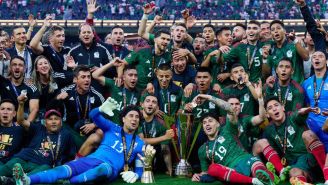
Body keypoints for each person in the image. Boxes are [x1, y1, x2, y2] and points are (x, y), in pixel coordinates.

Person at [13, 99, 145, 185]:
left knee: (100, 170)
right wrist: (99, 109)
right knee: (64, 169)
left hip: (110, 168)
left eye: (137, 117)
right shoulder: (112, 128)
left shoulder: (140, 143)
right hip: (91, 159)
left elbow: (140, 168)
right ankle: (27, 180)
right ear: (123, 119)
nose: (134, 119)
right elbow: (94, 116)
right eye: (131, 116)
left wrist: (136, 174)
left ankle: (70, 183)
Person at [191, 94, 274, 185]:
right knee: (213, 168)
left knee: (256, 166)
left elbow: (230, 109)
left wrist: (207, 97)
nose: (207, 124)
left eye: (210, 121)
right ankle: (253, 181)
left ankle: (263, 176)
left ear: (218, 124)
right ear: (203, 128)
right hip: (231, 171)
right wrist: (198, 175)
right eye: (204, 122)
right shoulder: (202, 150)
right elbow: (206, 172)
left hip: (245, 160)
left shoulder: (227, 130)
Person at [0, 95, 76, 177]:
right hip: (22, 159)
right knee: (12, 165)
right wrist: (21, 104)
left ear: (61, 122)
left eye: (56, 119)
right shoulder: (38, 128)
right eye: (50, 119)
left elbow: (71, 157)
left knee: (45, 168)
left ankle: (17, 181)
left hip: (41, 164)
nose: (53, 121)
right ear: (45, 122)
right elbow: (21, 120)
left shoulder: (66, 135)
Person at [253, 97, 323, 184]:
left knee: (308, 134)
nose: (274, 109)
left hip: (309, 157)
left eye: (276, 105)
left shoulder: (292, 117)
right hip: (294, 164)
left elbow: (299, 113)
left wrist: (305, 111)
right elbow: (274, 151)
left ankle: (325, 172)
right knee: (294, 172)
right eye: (270, 108)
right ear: (267, 114)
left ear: (283, 108)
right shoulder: (269, 130)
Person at [55, 65, 104, 148]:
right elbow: (50, 108)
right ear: (75, 79)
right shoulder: (66, 91)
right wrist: (57, 98)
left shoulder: (97, 96)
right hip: (68, 129)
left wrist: (94, 125)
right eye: (83, 77)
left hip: (89, 128)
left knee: (100, 132)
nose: (87, 79)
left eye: (89, 77)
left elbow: (106, 116)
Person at [302, 51, 328, 184]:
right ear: (312, 62)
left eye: (321, 56)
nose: (317, 59)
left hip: (327, 125)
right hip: (313, 127)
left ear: (326, 61)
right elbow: (306, 105)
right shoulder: (306, 83)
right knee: (306, 134)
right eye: (314, 57)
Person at [138, 94, 174, 175]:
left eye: (154, 102)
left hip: (153, 155)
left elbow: (166, 150)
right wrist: (164, 137)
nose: (150, 104)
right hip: (134, 152)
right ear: (142, 104)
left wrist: (170, 171)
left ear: (157, 107)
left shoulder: (161, 124)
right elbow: (142, 141)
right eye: (147, 101)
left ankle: (156, 167)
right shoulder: (136, 118)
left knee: (164, 146)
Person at [0, 56, 39, 122]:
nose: (17, 67)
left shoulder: (32, 88)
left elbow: (34, 110)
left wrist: (25, 125)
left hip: (23, 122)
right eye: (14, 64)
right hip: (4, 122)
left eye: (20, 65)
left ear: (24, 69)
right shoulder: (3, 83)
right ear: (10, 67)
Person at [0, 99, 25, 167]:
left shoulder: (20, 130)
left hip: (11, 165)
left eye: (9, 109)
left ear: (14, 114)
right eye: (2, 109)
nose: (5, 112)